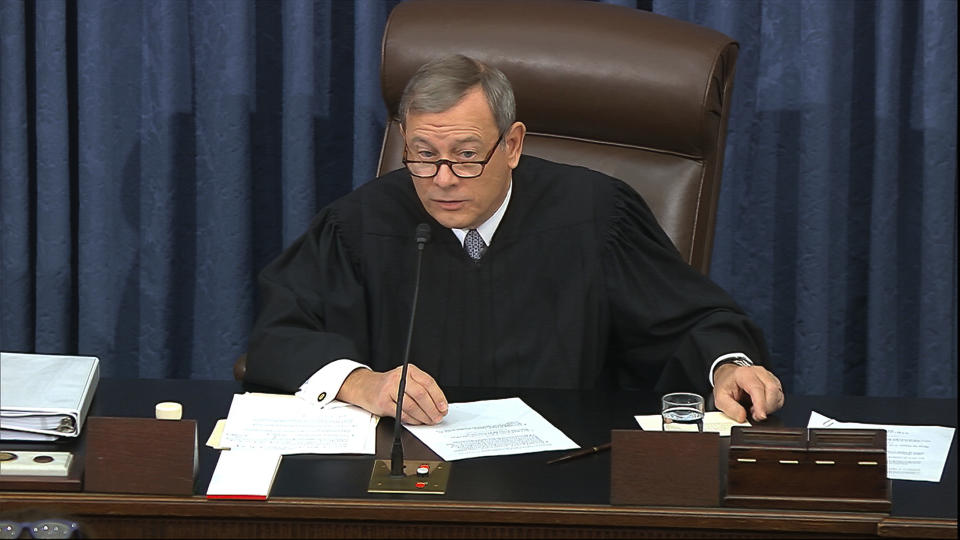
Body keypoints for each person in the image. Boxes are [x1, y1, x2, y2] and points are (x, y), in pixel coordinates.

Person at [245, 55, 783, 426]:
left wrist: (730, 367)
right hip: (410, 471)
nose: (444, 178)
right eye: (423, 154)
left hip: (572, 467)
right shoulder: (360, 222)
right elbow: (278, 335)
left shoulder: (595, 213)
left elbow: (688, 318)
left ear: (513, 145)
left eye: (467, 153)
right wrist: (363, 383)